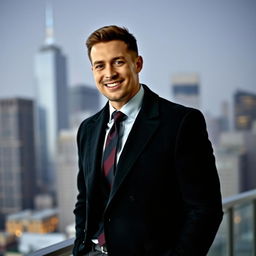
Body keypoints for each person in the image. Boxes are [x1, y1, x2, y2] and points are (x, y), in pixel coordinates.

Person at [73, 25, 223, 256]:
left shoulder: (180, 122)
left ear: (138, 64)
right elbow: (84, 200)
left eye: (118, 62)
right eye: (100, 65)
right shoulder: (88, 129)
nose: (109, 73)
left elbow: (205, 209)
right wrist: (79, 250)